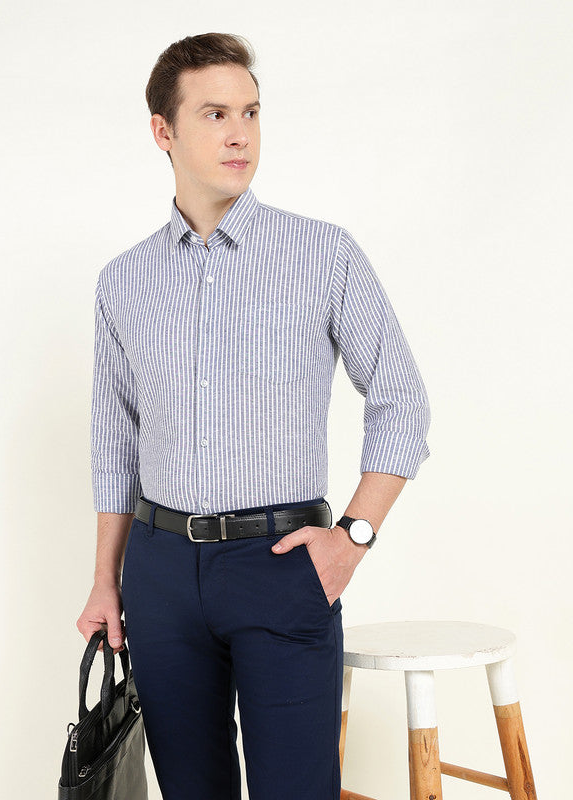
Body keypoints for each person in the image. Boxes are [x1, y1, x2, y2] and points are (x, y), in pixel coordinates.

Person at [76, 32, 431, 800]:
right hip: (161, 575)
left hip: (282, 565)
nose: (239, 133)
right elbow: (115, 443)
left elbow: (402, 399)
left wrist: (352, 538)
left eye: (251, 112)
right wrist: (106, 580)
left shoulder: (323, 255)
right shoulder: (124, 282)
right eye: (214, 114)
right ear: (163, 131)